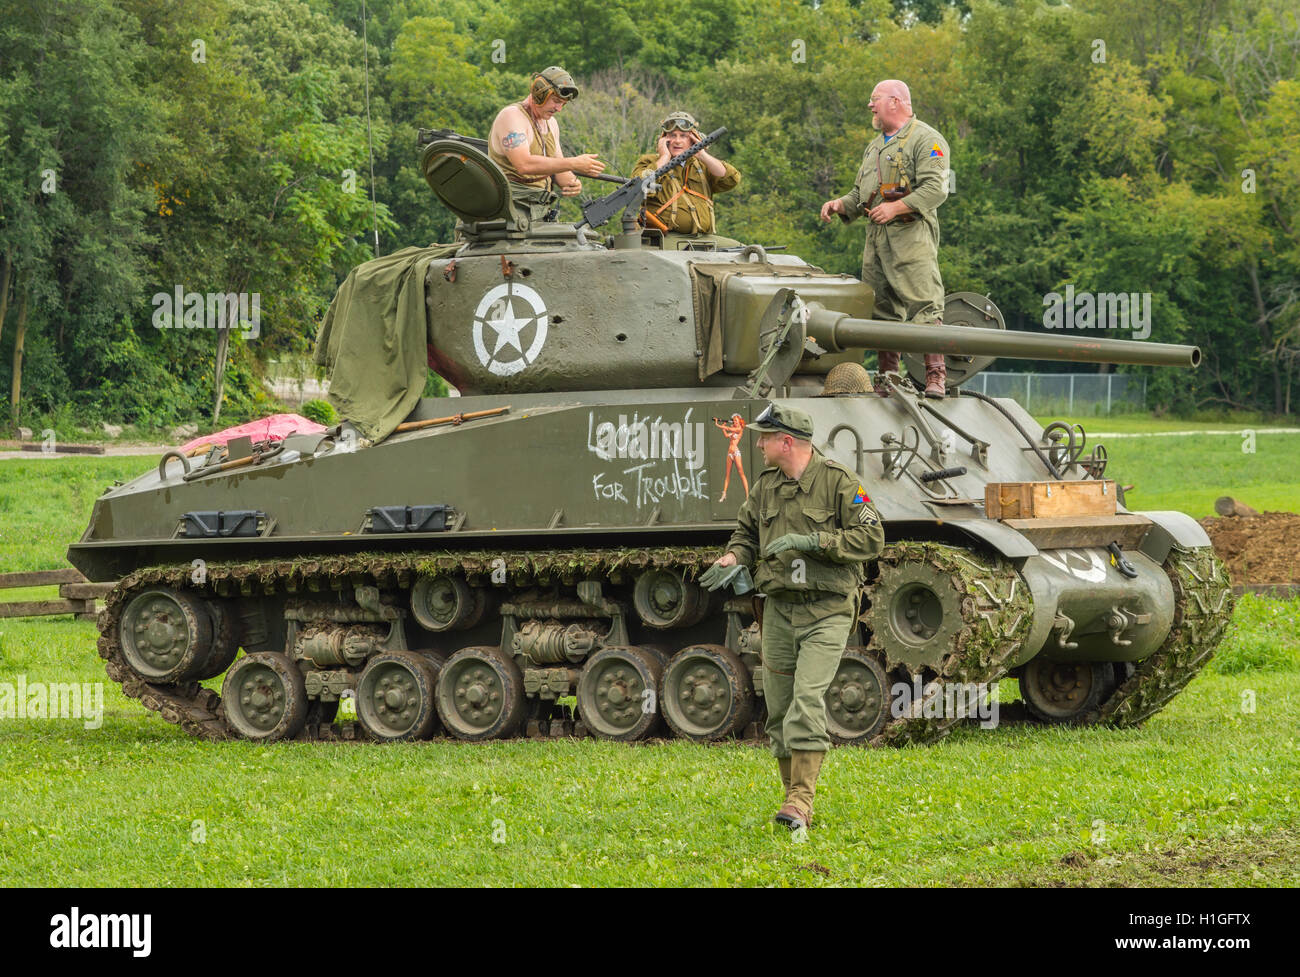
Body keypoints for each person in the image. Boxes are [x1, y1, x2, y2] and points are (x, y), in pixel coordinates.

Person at [699, 404, 884, 832]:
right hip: (779, 609)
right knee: (779, 709)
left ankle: (801, 802)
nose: (758, 444)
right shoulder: (765, 487)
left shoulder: (840, 483)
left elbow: (872, 535)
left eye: (765, 437)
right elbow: (745, 534)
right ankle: (792, 801)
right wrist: (733, 556)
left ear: (787, 442)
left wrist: (814, 541)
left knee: (806, 701)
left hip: (827, 609)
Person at [819, 80, 951, 398]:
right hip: (876, 241)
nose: (870, 105)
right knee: (881, 310)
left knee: (925, 305)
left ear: (895, 101)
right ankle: (888, 379)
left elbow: (936, 189)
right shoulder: (875, 146)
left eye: (874, 99)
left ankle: (936, 375)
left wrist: (895, 209)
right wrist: (840, 205)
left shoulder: (926, 139)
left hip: (911, 236)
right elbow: (860, 193)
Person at [488, 66, 606, 220]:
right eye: (556, 101)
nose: (559, 109)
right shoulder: (513, 116)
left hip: (540, 209)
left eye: (563, 104)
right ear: (539, 93)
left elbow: (561, 171)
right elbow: (524, 164)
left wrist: (573, 182)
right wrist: (574, 163)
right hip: (510, 210)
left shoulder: (551, 124)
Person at [631, 112, 740, 242]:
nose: (677, 141)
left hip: (704, 238)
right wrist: (664, 157)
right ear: (664, 139)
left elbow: (730, 179)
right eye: (672, 136)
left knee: (747, 252)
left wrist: (701, 154)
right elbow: (638, 187)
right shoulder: (650, 162)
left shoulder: (702, 165)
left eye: (683, 136)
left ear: (693, 139)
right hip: (666, 238)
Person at [713, 413, 750, 502]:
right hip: (729, 453)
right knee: (727, 475)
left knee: (741, 474)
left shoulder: (739, 429)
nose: (735, 422)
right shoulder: (734, 431)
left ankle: (747, 496)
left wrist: (717, 424)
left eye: (736, 421)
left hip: (736, 453)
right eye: (734, 421)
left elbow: (729, 428)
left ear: (740, 422)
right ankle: (724, 494)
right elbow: (726, 435)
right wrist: (723, 427)